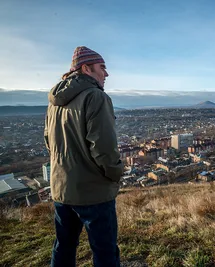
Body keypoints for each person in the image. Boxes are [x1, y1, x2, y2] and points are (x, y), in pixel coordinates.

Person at [44, 46, 124, 267]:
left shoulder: (54, 102)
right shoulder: (96, 97)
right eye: (102, 68)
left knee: (64, 246)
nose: (106, 74)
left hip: (61, 189)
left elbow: (49, 142)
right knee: (104, 250)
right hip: (93, 192)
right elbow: (104, 149)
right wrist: (115, 173)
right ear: (86, 68)